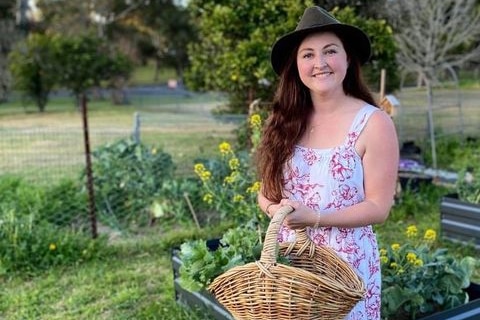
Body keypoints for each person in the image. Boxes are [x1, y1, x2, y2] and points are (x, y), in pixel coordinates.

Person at [256, 6, 399, 320]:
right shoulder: (284, 121)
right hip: (292, 266)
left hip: (346, 268)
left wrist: (315, 217)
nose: (319, 63)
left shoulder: (373, 124)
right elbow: (265, 193)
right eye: (307, 55)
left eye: (330, 51)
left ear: (348, 59)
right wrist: (277, 213)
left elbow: (379, 207)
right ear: (296, 66)